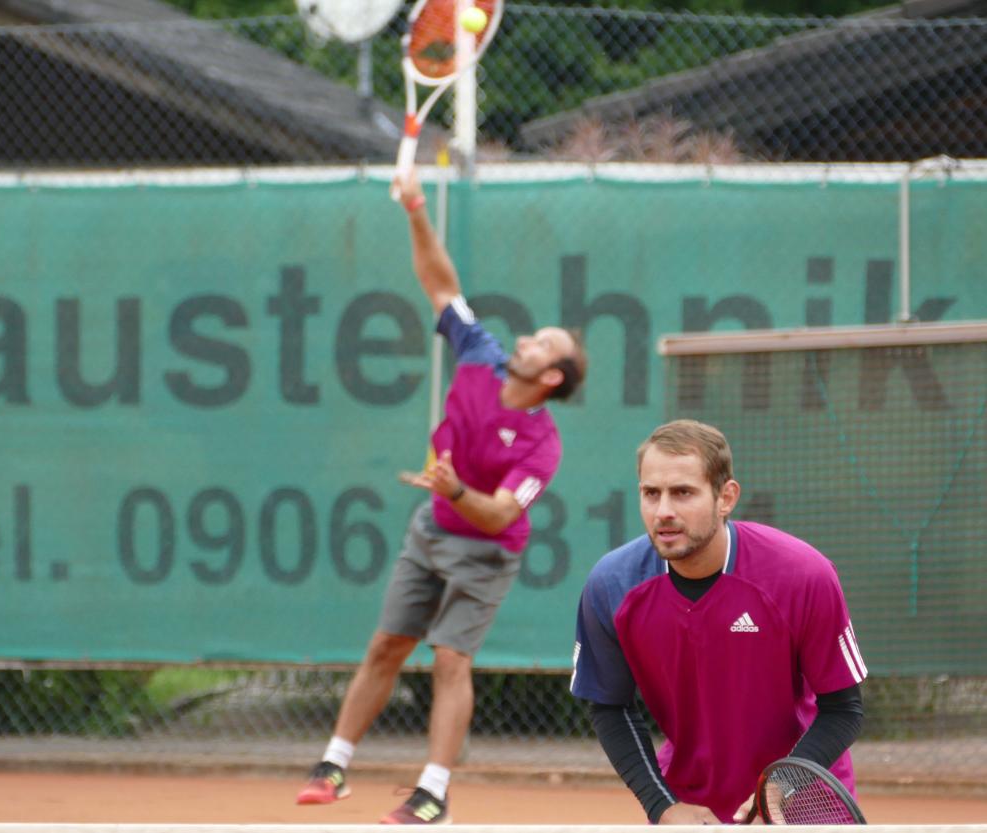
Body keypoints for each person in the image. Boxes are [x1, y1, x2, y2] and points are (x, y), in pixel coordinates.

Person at [295, 173, 588, 824]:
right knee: (386, 645)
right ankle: (334, 763)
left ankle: (433, 792)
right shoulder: (479, 356)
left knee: (451, 658)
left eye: (542, 343)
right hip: (432, 528)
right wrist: (417, 212)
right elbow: (440, 283)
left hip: (486, 551)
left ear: (550, 376)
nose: (526, 339)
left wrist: (457, 488)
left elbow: (502, 513)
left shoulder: (542, 444)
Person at [571, 419, 867, 825]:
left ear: (726, 497)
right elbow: (609, 706)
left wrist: (779, 789)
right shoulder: (611, 586)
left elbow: (844, 709)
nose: (664, 511)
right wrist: (662, 805)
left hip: (804, 801)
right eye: (650, 493)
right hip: (692, 809)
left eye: (683, 493)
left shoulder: (804, 576)